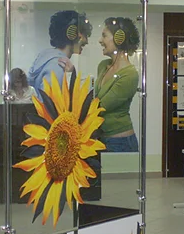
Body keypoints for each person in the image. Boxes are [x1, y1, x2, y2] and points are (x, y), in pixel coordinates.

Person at [95, 17, 140, 152]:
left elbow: (101, 106)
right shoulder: (103, 66)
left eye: (104, 36)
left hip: (120, 142)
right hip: (101, 138)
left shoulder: (130, 75)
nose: (100, 40)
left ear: (119, 39)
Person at [28, 10, 92, 95]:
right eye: (84, 34)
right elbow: (51, 101)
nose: (86, 41)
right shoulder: (58, 66)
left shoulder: (46, 58)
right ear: (72, 34)